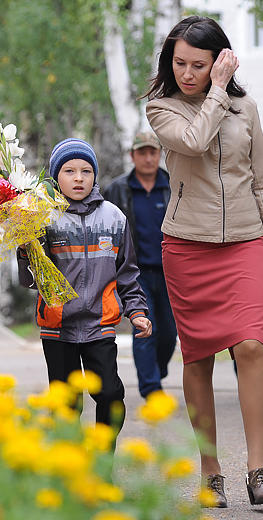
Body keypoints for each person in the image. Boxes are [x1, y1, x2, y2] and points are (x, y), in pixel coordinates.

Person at [144, 15, 263, 508]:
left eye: (199, 64)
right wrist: (217, 89)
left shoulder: (247, 109)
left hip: (242, 244)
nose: (188, 73)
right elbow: (195, 142)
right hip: (187, 246)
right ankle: (210, 470)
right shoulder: (161, 108)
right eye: (180, 62)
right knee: (197, 358)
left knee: (251, 346)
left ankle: (257, 469)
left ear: (219, 59)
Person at [17, 137, 152, 444]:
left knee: (110, 394)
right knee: (66, 404)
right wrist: (25, 250)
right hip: (57, 327)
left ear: (95, 176)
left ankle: (103, 465)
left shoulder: (114, 218)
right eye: (69, 171)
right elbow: (29, 281)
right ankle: (72, 471)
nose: (78, 178)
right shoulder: (40, 218)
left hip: (100, 325)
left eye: (86, 171)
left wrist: (138, 311)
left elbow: (127, 273)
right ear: (55, 177)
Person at [103, 131, 178, 399]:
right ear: (132, 156)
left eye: (153, 152)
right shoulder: (117, 189)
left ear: (160, 155)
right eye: (142, 153)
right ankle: (151, 388)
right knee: (145, 327)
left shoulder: (175, 185)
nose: (148, 158)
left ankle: (156, 371)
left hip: (172, 272)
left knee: (169, 333)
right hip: (135, 274)